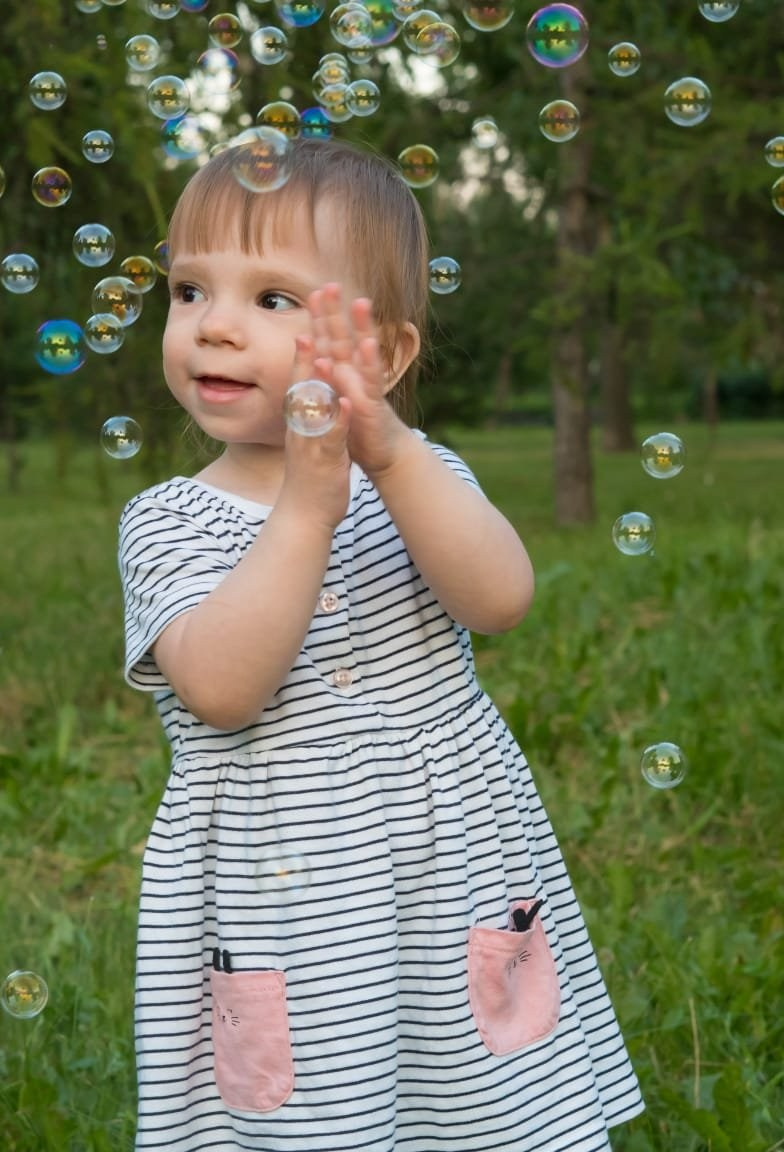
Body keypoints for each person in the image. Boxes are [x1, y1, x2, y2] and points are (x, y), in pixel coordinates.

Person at [117, 136, 644, 1151]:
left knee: (482, 1100)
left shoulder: (420, 475)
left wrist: (388, 454)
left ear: (387, 356)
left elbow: (501, 598)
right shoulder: (169, 520)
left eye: (272, 301)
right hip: (290, 892)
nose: (215, 328)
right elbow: (223, 688)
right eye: (189, 292)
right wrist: (309, 504)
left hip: (449, 869)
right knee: (316, 1109)